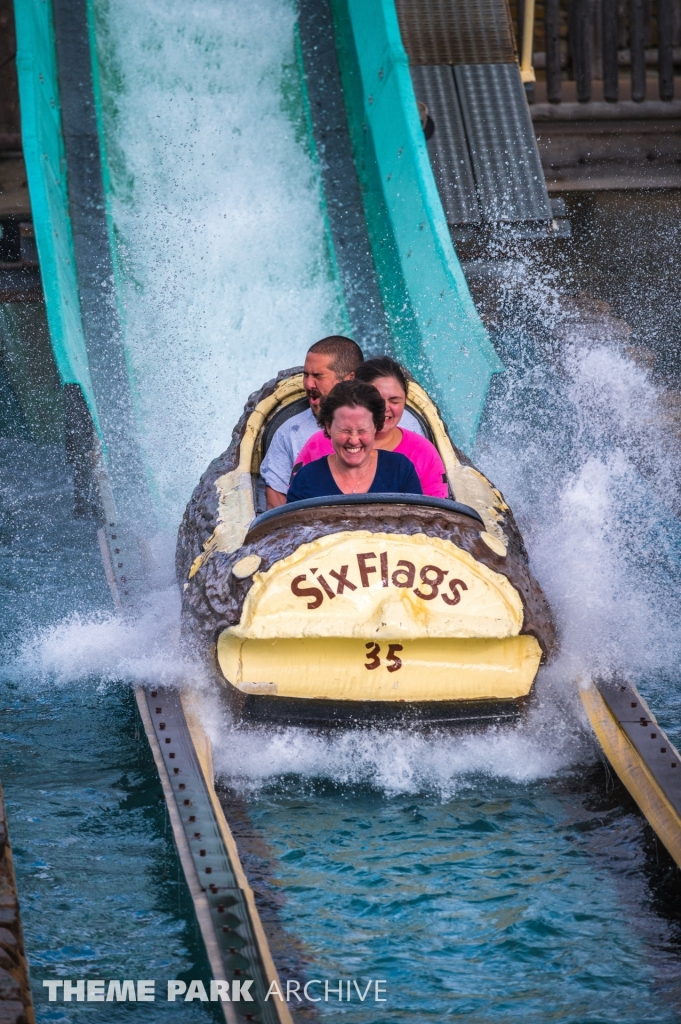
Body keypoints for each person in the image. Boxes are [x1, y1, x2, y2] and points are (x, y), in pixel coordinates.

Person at [261, 338, 424, 509]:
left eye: (318, 376)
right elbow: (279, 513)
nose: (308, 384)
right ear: (328, 428)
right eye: (306, 375)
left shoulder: (401, 463)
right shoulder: (295, 447)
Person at [294, 356, 448, 498]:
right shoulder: (317, 446)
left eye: (394, 400)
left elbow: (432, 516)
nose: (384, 408)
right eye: (377, 400)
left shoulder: (417, 455)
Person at [287, 379, 422, 502]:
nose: (354, 440)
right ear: (328, 427)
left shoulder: (400, 469)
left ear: (375, 426)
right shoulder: (306, 479)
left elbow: (418, 524)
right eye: (345, 430)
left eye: (362, 430)